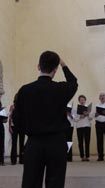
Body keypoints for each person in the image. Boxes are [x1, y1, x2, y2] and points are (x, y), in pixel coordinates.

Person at [13, 51, 78, 188]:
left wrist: (29, 132)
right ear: (55, 69)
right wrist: (63, 64)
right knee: (55, 182)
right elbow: (73, 82)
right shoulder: (61, 88)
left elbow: (17, 119)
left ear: (38, 66)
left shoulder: (25, 90)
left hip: (34, 142)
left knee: (31, 182)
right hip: (57, 142)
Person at [74, 95, 91, 162]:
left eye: (83, 99)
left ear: (85, 100)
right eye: (80, 100)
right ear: (79, 101)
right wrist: (80, 117)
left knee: (87, 142)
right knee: (80, 142)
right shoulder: (76, 109)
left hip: (87, 126)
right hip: (79, 127)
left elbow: (91, 118)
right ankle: (82, 156)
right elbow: (75, 119)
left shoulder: (88, 108)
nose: (82, 101)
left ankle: (87, 156)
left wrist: (87, 114)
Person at [10, 94, 25, 165]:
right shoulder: (12, 106)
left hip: (22, 126)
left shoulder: (24, 106)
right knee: (14, 143)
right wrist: (9, 127)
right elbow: (10, 117)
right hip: (14, 126)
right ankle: (13, 160)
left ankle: (22, 159)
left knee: (22, 143)